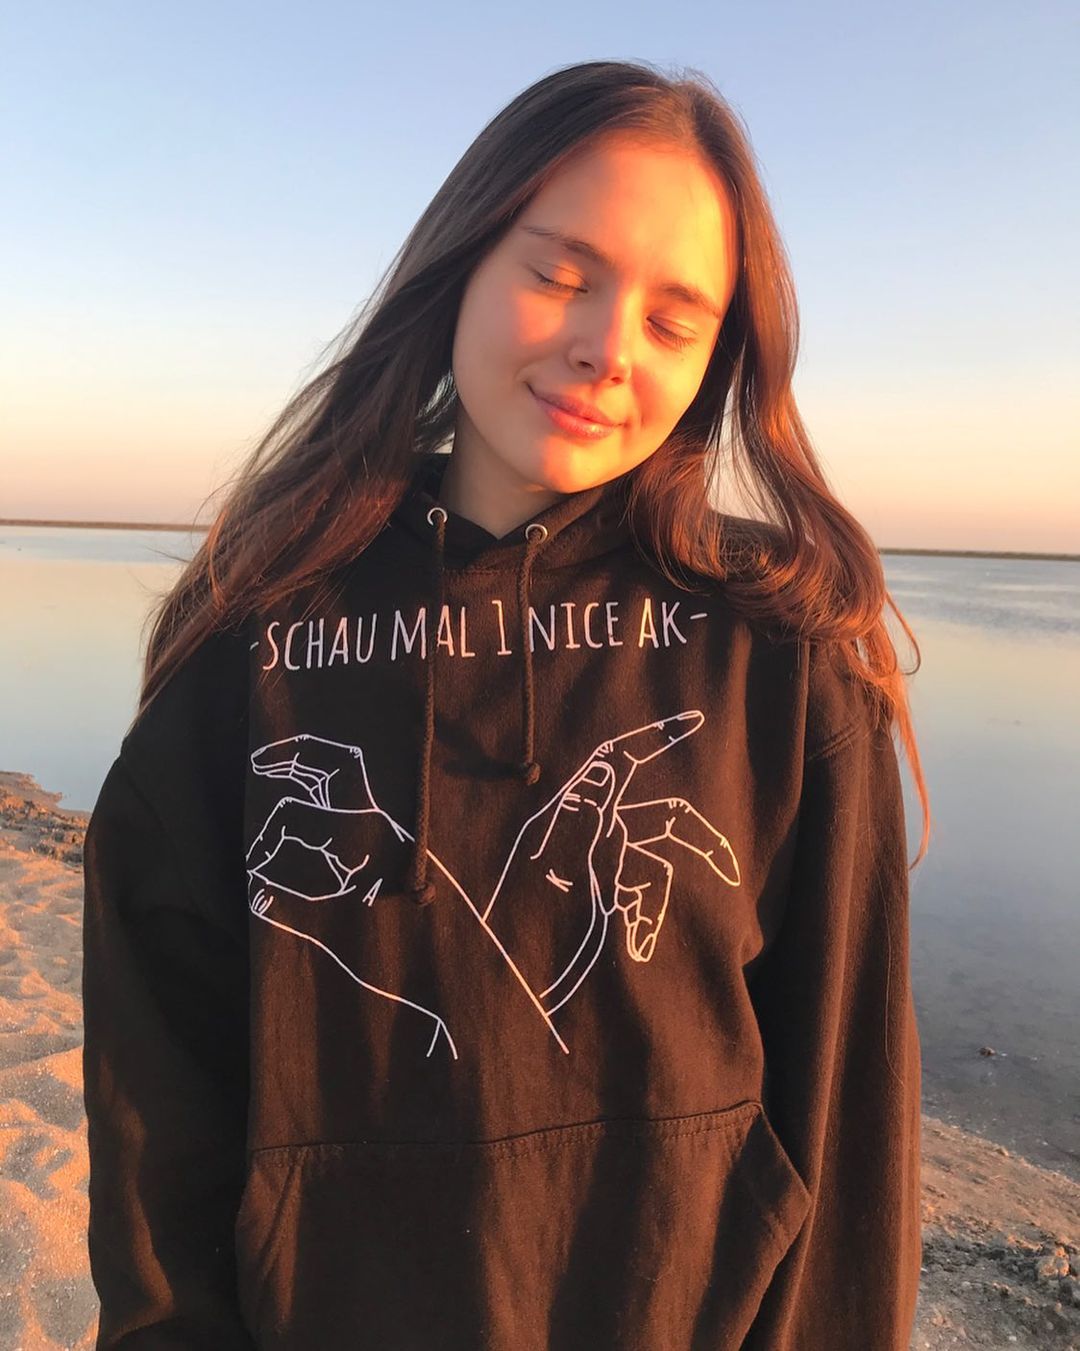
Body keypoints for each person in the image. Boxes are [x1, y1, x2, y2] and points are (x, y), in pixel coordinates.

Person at [81, 58, 930, 1350]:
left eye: (675, 321)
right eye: (560, 273)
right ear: (462, 264)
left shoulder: (780, 641)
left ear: (718, 360)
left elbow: (848, 1094)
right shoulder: (259, 620)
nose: (607, 347)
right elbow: (158, 1077)